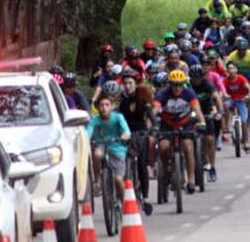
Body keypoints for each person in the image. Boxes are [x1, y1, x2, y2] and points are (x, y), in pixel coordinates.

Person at [153, 70, 206, 194]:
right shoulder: (162, 95)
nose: (177, 88)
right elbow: (155, 110)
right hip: (167, 124)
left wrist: (202, 122)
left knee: (188, 147)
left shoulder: (189, 93)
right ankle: (166, 170)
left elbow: (197, 110)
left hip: (185, 123)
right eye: (174, 85)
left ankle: (191, 179)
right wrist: (148, 125)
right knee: (163, 146)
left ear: (184, 84)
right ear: (169, 85)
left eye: (180, 85)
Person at [118, 71, 154, 210]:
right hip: (125, 134)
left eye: (130, 83)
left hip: (141, 133)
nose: (127, 86)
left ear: (135, 84)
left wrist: (153, 129)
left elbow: (150, 114)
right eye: (125, 83)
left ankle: (145, 198)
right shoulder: (121, 99)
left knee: (141, 164)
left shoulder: (142, 96)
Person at [87, 93, 131, 200]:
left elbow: (126, 131)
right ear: (98, 107)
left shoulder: (118, 117)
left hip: (118, 148)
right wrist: (85, 139)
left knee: (118, 179)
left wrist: (124, 136)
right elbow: (87, 133)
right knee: (97, 154)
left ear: (111, 106)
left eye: (107, 105)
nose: (104, 108)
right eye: (101, 105)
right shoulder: (94, 121)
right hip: (101, 146)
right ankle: (97, 180)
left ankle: (125, 203)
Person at [189, 65, 222, 182]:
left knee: (210, 140)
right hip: (193, 114)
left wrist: (220, 111)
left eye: (198, 77)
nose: (196, 80)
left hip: (207, 113)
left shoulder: (207, 84)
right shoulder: (188, 86)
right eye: (193, 78)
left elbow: (216, 97)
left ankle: (212, 168)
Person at [222, 61, 250, 154]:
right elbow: (222, 90)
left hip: (241, 100)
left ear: (236, 70)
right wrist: (224, 95)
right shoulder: (226, 80)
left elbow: (248, 87)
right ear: (227, 71)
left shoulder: (241, 78)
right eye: (229, 69)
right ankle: (226, 126)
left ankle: (246, 142)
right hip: (231, 100)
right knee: (225, 105)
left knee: (244, 121)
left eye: (233, 68)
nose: (231, 71)